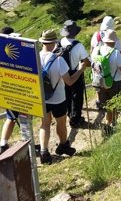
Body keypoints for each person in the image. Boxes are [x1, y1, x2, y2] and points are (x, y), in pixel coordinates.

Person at [38, 29, 77, 164]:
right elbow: (69, 81)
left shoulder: (35, 59)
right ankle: (63, 144)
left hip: (42, 98)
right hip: (58, 98)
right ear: (54, 42)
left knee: (45, 124)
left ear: (42, 42)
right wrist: (82, 69)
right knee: (61, 122)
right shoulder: (59, 60)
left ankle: (43, 151)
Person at [92, 30, 121, 128]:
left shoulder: (96, 50)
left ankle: (108, 123)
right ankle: (113, 123)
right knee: (114, 104)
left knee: (107, 105)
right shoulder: (115, 53)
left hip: (100, 82)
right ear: (114, 41)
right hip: (114, 82)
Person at [59, 20, 91, 128]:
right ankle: (75, 119)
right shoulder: (78, 46)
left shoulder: (60, 42)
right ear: (75, 33)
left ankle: (69, 115)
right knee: (77, 97)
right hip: (75, 72)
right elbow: (86, 61)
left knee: (66, 95)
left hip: (62, 73)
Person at [0, 26, 21, 156]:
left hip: (6, 91)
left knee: (11, 118)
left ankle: (3, 144)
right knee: (18, 118)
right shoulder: (15, 51)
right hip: (19, 91)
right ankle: (27, 142)